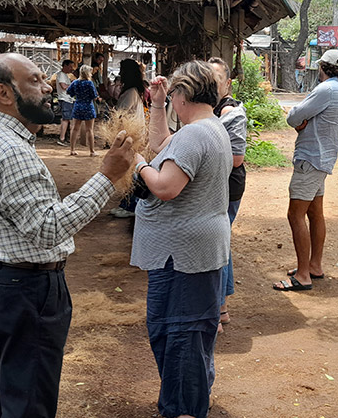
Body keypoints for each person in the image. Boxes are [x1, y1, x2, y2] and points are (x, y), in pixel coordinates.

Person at [0, 53, 133, 418]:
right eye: (36, 80)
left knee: (0, 387)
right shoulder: (12, 151)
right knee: (28, 401)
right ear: (4, 93)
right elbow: (48, 229)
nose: (49, 87)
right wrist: (107, 175)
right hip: (25, 289)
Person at [130, 60, 232, 418]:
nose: (171, 101)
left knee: (180, 337)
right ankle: (188, 402)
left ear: (185, 94)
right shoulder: (208, 127)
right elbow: (163, 145)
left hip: (183, 255)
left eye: (171, 95)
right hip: (192, 251)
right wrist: (156, 104)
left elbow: (166, 186)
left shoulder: (194, 134)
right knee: (186, 335)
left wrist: (137, 162)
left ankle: (184, 409)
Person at [274, 49, 338, 291]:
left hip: (310, 159)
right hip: (321, 160)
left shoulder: (325, 89)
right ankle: (314, 266)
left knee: (295, 215)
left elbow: (294, 117)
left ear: (322, 67)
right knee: (315, 213)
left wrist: (300, 122)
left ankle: (303, 275)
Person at [208, 57, 248, 332]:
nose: (211, 85)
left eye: (216, 80)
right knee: (223, 242)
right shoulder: (213, 108)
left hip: (228, 185)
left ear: (228, 83)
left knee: (218, 245)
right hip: (219, 184)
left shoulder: (231, 111)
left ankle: (218, 306)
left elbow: (236, 157)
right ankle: (222, 307)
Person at [110, 58, 150, 219]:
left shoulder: (131, 92)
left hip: (131, 137)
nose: (119, 74)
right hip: (134, 135)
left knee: (132, 172)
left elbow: (122, 115)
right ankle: (128, 204)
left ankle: (130, 206)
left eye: (122, 70)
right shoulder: (134, 91)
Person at [67, 65, 99, 156]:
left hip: (78, 106)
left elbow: (69, 92)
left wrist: (76, 95)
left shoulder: (75, 82)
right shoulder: (89, 83)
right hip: (88, 106)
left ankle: (72, 150)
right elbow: (94, 96)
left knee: (75, 129)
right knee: (89, 129)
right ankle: (92, 151)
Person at [55, 59, 76, 146]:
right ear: (65, 66)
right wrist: (73, 85)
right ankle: (62, 138)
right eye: (70, 67)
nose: (71, 69)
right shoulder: (61, 75)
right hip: (65, 99)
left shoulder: (66, 76)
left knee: (67, 119)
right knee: (65, 119)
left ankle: (65, 137)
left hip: (68, 99)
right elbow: (63, 86)